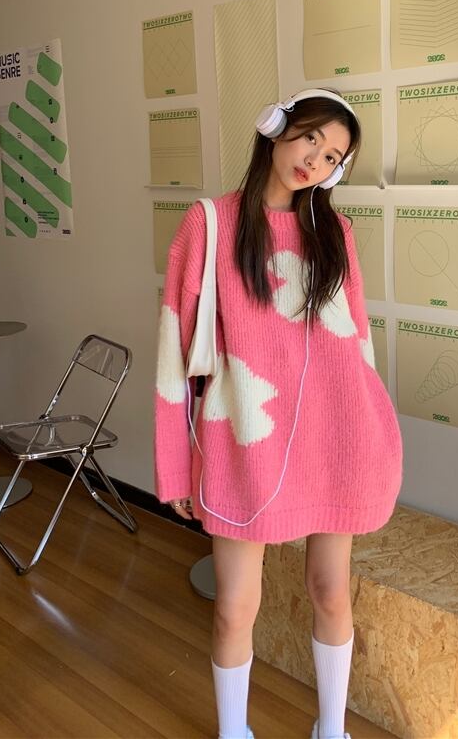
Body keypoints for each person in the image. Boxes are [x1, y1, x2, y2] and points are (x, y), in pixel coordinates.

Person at [155, 89, 403, 739]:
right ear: (276, 128)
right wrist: (174, 467)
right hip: (245, 442)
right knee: (234, 608)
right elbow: (173, 354)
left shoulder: (335, 235)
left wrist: (377, 434)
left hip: (336, 438)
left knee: (330, 592)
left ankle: (331, 730)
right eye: (310, 138)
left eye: (333, 157)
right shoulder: (208, 224)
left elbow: (357, 344)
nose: (315, 160)